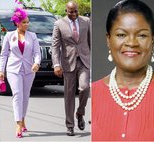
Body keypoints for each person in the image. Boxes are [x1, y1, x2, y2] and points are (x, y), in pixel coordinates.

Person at [92, 0, 154, 141]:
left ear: (153, 40)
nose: (131, 43)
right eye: (121, 35)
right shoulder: (91, 94)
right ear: (108, 39)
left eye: (142, 35)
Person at [0, 7, 41, 138]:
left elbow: (37, 53)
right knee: (17, 94)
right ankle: (18, 123)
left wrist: (37, 63)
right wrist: (1, 70)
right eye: (24, 22)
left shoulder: (32, 36)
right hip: (13, 69)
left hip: (29, 69)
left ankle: (22, 118)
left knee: (25, 95)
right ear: (17, 23)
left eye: (28, 22)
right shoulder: (9, 36)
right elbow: (4, 54)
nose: (27, 24)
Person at [51, 1, 90, 136]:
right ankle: (70, 125)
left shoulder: (86, 21)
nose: (74, 14)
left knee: (84, 88)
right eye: (71, 12)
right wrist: (56, 64)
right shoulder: (59, 24)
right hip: (68, 63)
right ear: (66, 11)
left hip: (84, 61)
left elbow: (90, 42)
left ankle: (80, 113)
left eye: (75, 11)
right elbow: (55, 46)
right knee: (69, 95)